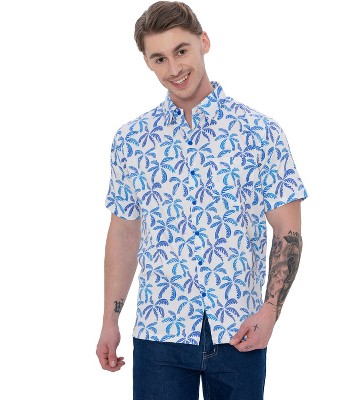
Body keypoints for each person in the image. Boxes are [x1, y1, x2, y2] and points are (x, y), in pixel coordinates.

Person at [96, 2, 308, 399]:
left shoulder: (259, 133)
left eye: (181, 50)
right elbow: (124, 234)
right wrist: (110, 320)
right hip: (159, 333)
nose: (174, 68)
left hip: (239, 331)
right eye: (159, 58)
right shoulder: (132, 141)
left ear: (204, 42)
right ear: (147, 63)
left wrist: (270, 312)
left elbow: (287, 231)